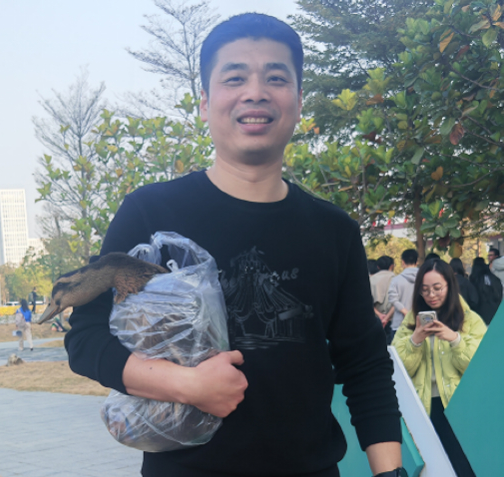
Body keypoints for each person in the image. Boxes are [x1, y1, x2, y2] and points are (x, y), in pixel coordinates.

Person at [65, 13, 403, 477]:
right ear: (205, 102)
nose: (256, 92)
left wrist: (391, 472)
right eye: (235, 77)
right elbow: (85, 338)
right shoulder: (150, 213)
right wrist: (186, 385)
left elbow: (365, 365)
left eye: (276, 78)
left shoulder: (333, 230)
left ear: (298, 102)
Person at [392, 260, 487, 477]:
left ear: (449, 286)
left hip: (459, 406)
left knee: (463, 467)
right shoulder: (410, 322)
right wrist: (415, 340)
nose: (431, 295)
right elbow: (399, 369)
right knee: (433, 469)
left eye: (437, 288)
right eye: (425, 290)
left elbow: (478, 366)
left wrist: (455, 339)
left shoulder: (469, 319)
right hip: (423, 408)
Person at [386, 249, 419, 344]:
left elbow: (393, 298)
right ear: (417, 262)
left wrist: (405, 311)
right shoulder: (424, 278)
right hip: (419, 323)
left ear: (403, 262)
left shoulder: (396, 280)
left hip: (399, 323)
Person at [469, 257, 503, 325]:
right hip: (495, 315)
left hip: (479, 317)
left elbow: (472, 300)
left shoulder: (473, 280)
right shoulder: (495, 279)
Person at [370, 256, 395, 330]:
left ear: (378, 267)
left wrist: (379, 315)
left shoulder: (371, 280)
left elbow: (367, 301)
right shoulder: (397, 279)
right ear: (392, 266)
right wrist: (387, 317)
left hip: (375, 319)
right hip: (393, 319)